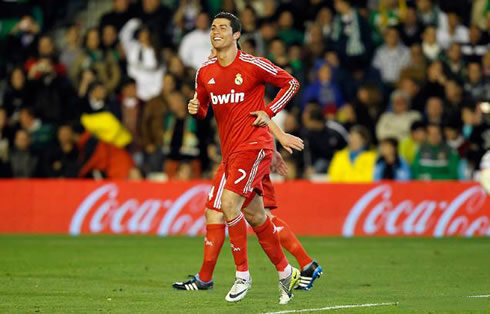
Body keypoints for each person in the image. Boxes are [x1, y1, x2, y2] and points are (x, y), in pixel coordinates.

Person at [186, 12, 302, 304]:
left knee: (227, 204)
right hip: (231, 152)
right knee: (255, 215)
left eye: (223, 27)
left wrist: (270, 112)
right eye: (213, 27)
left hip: (254, 146)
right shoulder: (205, 72)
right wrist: (195, 109)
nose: (216, 31)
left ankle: (242, 276)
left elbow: (291, 84)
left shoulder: (252, 64)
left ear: (236, 35)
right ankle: (286, 271)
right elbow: (203, 108)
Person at [173, 150, 323, 292]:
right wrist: (273, 147)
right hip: (257, 154)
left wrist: (279, 140)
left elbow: (261, 121)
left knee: (215, 212)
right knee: (262, 216)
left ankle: (206, 278)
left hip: (239, 156)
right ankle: (306, 264)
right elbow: (265, 122)